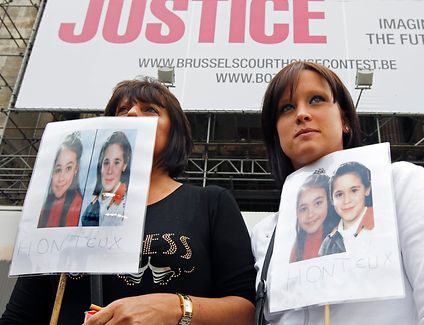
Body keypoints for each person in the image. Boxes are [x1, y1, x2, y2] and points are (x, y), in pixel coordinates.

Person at [1, 77, 256, 325]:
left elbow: (245, 311)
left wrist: (175, 307)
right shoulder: (72, 209)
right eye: (123, 109)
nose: (132, 114)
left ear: (175, 132)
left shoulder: (210, 203)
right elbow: (20, 316)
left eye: (150, 110)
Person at [251, 61, 424, 324]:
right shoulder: (266, 234)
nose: (301, 114)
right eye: (286, 108)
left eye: (316, 99)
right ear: (276, 131)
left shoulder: (400, 184)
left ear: (345, 120)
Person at [290, 172, 343, 262]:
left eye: (318, 203)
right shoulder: (299, 243)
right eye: (303, 208)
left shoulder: (339, 238)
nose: (310, 214)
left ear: (329, 202)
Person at [81, 131, 132, 226]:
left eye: (116, 163)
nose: (109, 171)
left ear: (124, 165)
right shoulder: (93, 202)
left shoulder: (125, 207)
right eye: (106, 162)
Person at [37, 132, 83, 228]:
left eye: (68, 168)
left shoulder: (77, 205)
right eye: (58, 170)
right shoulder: (44, 204)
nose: (61, 178)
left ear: (76, 170)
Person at [328, 161, 373, 252]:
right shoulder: (328, 241)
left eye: (354, 190)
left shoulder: (381, 224)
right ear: (332, 200)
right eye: (339, 194)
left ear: (367, 189)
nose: (347, 200)